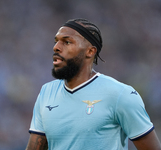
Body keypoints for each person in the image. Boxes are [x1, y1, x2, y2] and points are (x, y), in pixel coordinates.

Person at [26, 18, 161, 150]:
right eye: (56, 41)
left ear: (90, 52)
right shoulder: (47, 92)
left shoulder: (120, 94)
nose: (56, 47)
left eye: (67, 42)